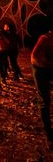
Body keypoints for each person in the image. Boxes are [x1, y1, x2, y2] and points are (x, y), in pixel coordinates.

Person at [31, 20, 53, 150]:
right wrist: (47, 64)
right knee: (45, 100)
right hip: (39, 68)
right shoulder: (44, 38)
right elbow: (33, 56)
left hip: (50, 67)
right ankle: (48, 134)